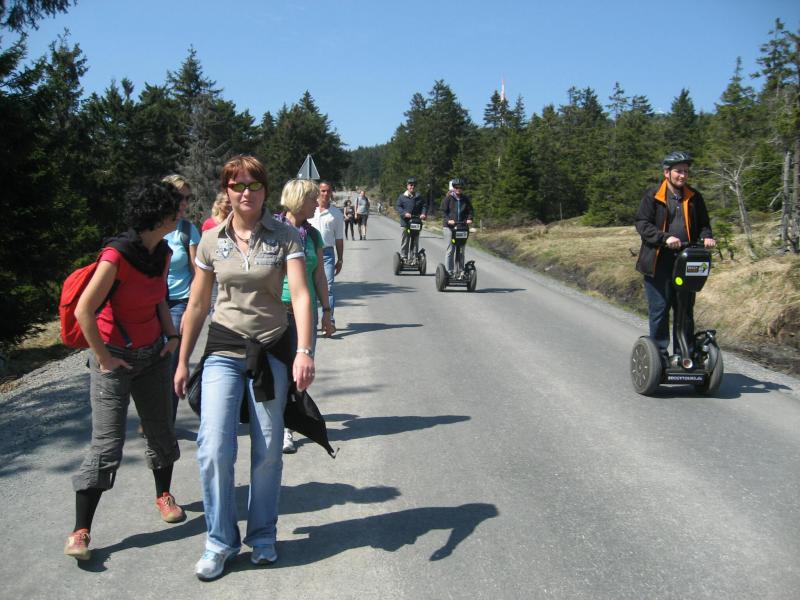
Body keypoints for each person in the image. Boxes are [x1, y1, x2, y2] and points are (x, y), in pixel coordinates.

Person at [174, 155, 315, 581]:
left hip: (270, 349)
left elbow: (301, 295)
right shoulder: (210, 240)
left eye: (254, 184)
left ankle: (263, 535)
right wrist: (182, 360)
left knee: (268, 448)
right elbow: (197, 304)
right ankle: (219, 541)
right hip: (224, 348)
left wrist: (304, 350)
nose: (246, 192)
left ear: (265, 190)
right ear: (227, 190)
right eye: (237, 185)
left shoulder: (285, 236)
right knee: (213, 446)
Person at [64, 182, 185, 562]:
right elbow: (85, 310)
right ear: (160, 215)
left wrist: (172, 336)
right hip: (113, 357)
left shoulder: (161, 252)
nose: (182, 212)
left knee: (161, 431)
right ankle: (80, 531)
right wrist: (103, 358)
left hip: (154, 355)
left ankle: (164, 495)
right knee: (107, 445)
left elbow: (160, 298)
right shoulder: (116, 255)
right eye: (177, 207)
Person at [635, 151, 716, 357]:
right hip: (658, 261)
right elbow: (642, 224)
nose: (683, 175)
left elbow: (704, 224)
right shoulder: (653, 196)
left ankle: (684, 355)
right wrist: (665, 238)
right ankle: (659, 356)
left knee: (684, 310)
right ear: (667, 172)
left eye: (686, 171)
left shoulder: (694, 197)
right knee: (660, 309)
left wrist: (707, 237)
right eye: (678, 171)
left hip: (686, 260)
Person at [274, 179, 335, 454]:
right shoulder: (272, 230)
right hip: (276, 311)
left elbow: (319, 276)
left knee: (299, 373)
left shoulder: (312, 235)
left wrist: (327, 312)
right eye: (312, 199)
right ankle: (282, 427)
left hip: (305, 313)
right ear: (299, 200)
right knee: (279, 373)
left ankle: (289, 423)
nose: (317, 204)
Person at [162, 174, 201, 423]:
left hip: (178, 303)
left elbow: (198, 273)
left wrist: (191, 308)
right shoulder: (152, 227)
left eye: (187, 198)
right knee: (149, 362)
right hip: (150, 304)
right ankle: (152, 415)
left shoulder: (188, 230)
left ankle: (166, 423)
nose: (184, 203)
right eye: (180, 197)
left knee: (171, 362)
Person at [308, 180, 344, 329]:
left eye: (328, 191)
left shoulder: (336, 214)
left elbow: (339, 238)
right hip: (309, 252)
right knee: (309, 288)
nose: (326, 194)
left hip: (327, 254)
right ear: (318, 192)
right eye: (323, 191)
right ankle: (310, 322)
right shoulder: (310, 210)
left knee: (327, 288)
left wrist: (340, 259)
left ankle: (329, 321)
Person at [440, 177, 474, 274]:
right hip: (449, 227)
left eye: (460, 187)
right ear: (453, 188)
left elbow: (470, 211)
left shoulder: (465, 199)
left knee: (461, 250)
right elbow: (443, 211)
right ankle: (449, 271)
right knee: (451, 249)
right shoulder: (448, 198)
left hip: (462, 227)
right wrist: (448, 220)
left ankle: (461, 271)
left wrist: (469, 219)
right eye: (456, 187)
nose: (458, 189)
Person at [396, 177, 428, 260]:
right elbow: (398, 207)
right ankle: (404, 256)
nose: (412, 187)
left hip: (416, 222)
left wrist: (423, 214)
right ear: (407, 186)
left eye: (414, 185)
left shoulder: (419, 197)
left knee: (415, 240)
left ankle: (414, 257)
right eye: (410, 185)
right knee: (405, 240)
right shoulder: (402, 197)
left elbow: (424, 206)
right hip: (405, 222)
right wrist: (404, 213)